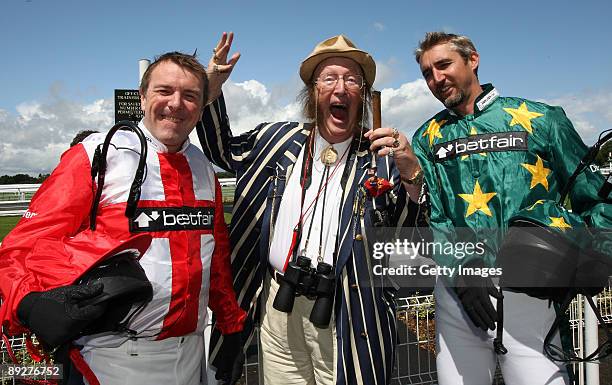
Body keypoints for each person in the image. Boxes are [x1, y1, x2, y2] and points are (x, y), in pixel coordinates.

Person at [0, 51, 246, 385]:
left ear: (202, 106)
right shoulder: (97, 155)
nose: (176, 103)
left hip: (191, 355)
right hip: (110, 356)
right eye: (164, 91)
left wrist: (230, 326)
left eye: (190, 96)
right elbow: (17, 250)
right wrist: (28, 303)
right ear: (143, 97)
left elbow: (216, 260)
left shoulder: (204, 169)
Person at [197, 33, 423, 385]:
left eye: (352, 80)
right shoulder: (278, 140)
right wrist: (210, 89)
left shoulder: (382, 158)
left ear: (363, 95)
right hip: (278, 305)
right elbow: (223, 150)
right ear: (312, 92)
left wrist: (410, 172)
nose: (341, 88)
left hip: (348, 311)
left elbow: (407, 235)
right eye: (329, 78)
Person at [411, 32, 612, 385]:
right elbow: (436, 216)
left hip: (533, 297)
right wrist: (462, 272)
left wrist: (597, 252)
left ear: (472, 59)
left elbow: (594, 194)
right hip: (459, 300)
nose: (436, 79)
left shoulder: (542, 118)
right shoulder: (426, 137)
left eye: (444, 65)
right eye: (428, 72)